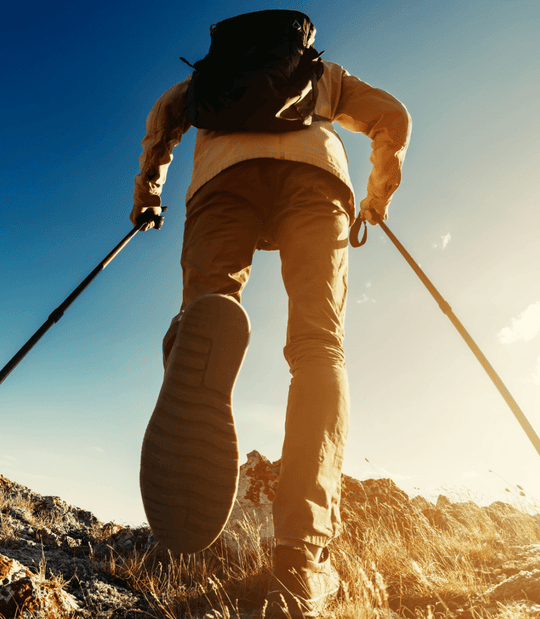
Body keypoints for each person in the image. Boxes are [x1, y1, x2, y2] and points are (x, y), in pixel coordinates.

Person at [132, 10, 410, 617]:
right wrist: (377, 194)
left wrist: (148, 193)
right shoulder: (324, 75)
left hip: (220, 181)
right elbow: (392, 117)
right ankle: (301, 560)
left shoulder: (206, 80)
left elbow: (163, 119)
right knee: (318, 348)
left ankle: (173, 524)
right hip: (317, 178)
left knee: (205, 313)